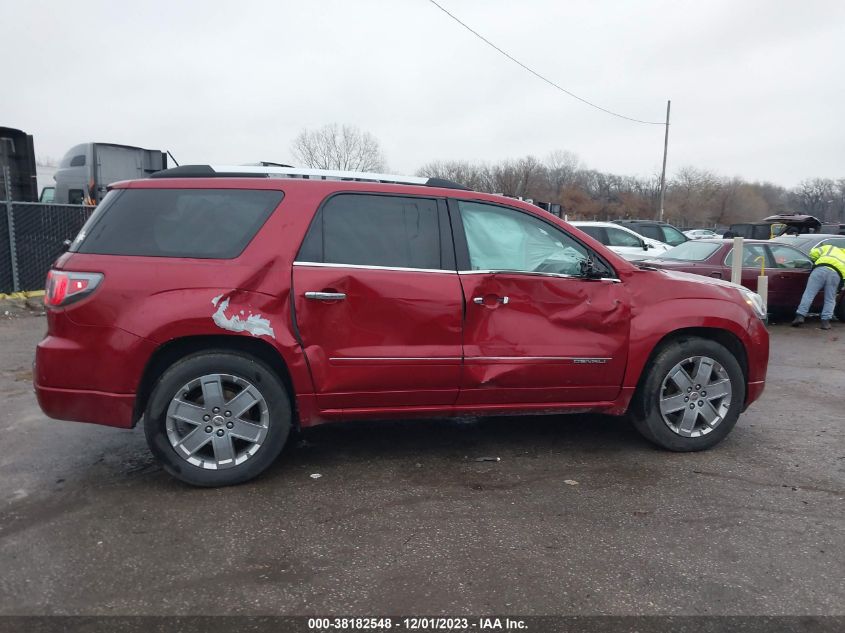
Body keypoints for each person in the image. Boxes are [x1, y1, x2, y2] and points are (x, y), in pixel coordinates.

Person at [792, 244, 845, 330]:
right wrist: (840, 287)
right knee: (830, 299)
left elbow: (813, 253)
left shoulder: (830, 247)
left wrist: (816, 260)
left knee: (809, 294)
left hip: (820, 270)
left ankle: (800, 316)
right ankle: (825, 322)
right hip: (836, 274)